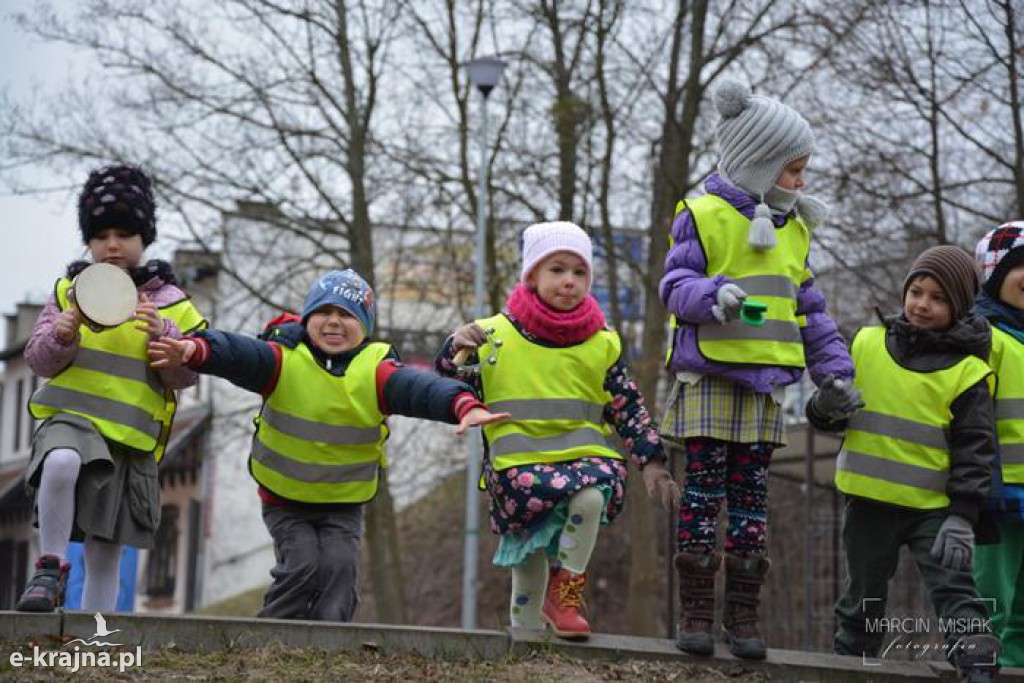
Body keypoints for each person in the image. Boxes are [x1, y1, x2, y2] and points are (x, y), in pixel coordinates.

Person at [149, 269, 508, 622]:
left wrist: (463, 404)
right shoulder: (281, 359)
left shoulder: (376, 371)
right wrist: (193, 350)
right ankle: (272, 635)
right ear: (307, 319)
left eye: (347, 315)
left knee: (339, 568)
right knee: (302, 562)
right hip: (285, 497)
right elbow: (235, 352)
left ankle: (329, 642)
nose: (333, 322)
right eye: (324, 312)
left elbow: (421, 389)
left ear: (364, 327)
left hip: (343, 502)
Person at [659, 78, 859, 659]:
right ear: (759, 161)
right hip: (712, 377)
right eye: (793, 170)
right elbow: (674, 285)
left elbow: (809, 307)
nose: (801, 181)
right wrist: (710, 294)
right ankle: (696, 609)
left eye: (802, 170)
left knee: (750, 501)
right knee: (702, 494)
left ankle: (743, 616)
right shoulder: (702, 213)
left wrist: (834, 369)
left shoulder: (796, 228)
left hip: (767, 386)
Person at [436, 221, 678, 640]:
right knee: (527, 570)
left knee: (591, 495)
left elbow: (628, 405)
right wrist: (453, 349)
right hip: (518, 468)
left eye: (579, 272)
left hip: (583, 459)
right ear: (531, 276)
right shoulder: (493, 336)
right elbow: (444, 388)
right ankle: (526, 646)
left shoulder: (602, 342)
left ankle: (566, 590)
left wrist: (652, 461)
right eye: (557, 270)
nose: (569, 281)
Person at [17, 164, 207, 613]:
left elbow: (190, 372)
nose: (113, 244)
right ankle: (50, 566)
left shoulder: (172, 303)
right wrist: (62, 335)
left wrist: (168, 343)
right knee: (60, 462)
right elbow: (36, 360)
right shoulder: (67, 291)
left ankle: (97, 646)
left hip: (129, 440)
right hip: (70, 421)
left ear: (145, 238)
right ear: (89, 240)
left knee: (105, 554)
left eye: (124, 233)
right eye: (101, 234)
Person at [810, 246, 1000, 683]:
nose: (922, 304)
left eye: (938, 298)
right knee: (862, 597)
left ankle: (978, 665)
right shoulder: (866, 342)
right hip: (868, 504)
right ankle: (849, 668)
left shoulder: (969, 371)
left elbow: (977, 450)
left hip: (933, 510)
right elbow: (829, 417)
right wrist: (824, 404)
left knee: (954, 589)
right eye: (916, 291)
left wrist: (963, 515)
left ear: (959, 307)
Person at [973, 222, 1024, 670]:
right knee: (991, 601)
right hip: (997, 496)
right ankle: (979, 667)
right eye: (1020, 267)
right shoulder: (985, 337)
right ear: (993, 274)